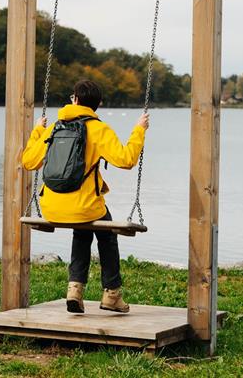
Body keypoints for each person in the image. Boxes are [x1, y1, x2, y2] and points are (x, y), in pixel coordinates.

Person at [21, 79, 149, 314]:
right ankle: (111, 294)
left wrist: (38, 130)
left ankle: (75, 290)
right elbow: (126, 160)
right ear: (97, 105)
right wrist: (138, 130)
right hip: (85, 207)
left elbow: (29, 162)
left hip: (51, 206)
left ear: (75, 99)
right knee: (106, 232)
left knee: (83, 230)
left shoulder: (54, 128)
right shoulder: (99, 129)